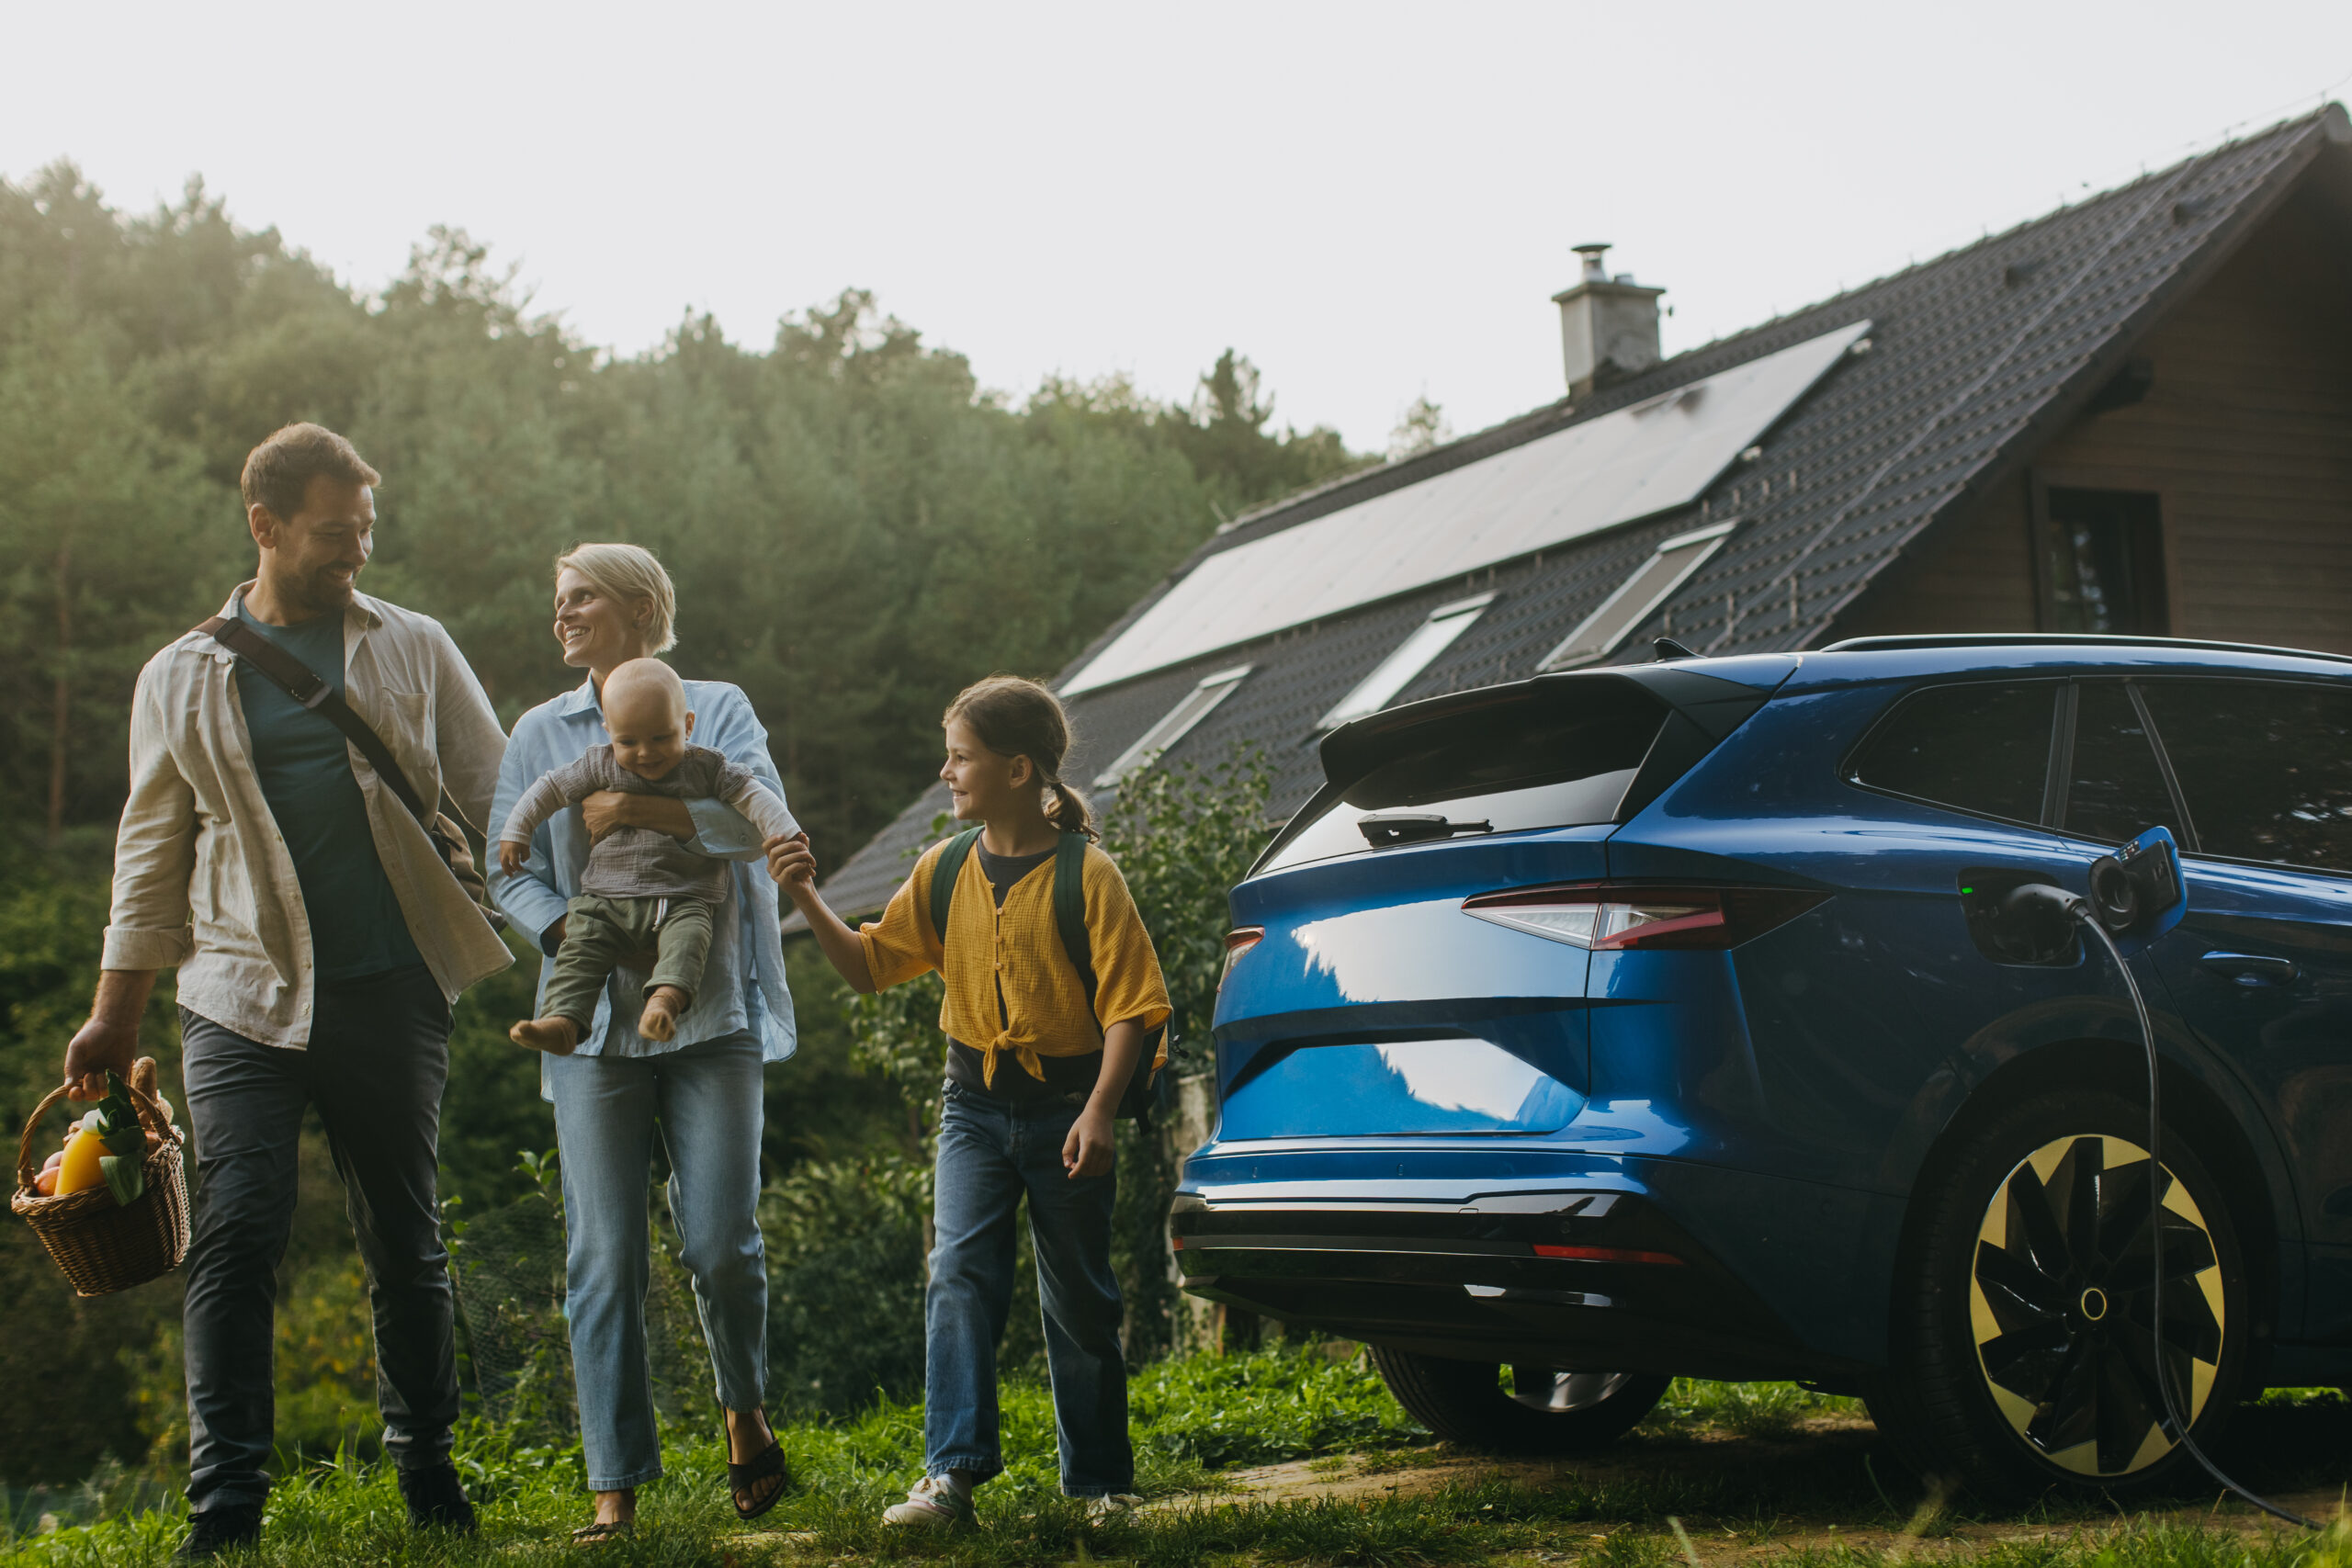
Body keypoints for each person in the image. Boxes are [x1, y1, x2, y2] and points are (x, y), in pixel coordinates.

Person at [62, 423, 512, 1561]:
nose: (353, 552)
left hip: (392, 985)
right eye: (330, 533)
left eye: (364, 530)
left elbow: (504, 796)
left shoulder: (412, 645)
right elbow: (149, 848)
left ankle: (428, 1474)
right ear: (263, 527)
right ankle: (227, 1514)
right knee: (238, 1234)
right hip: (237, 995)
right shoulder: (182, 674)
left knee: (405, 1240)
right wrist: (114, 1013)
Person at [771, 674, 1170, 1529]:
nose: (945, 772)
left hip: (1070, 1107)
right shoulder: (944, 868)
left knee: (1081, 1298)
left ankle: (1102, 1487)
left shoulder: (1088, 874)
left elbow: (1133, 1005)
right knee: (956, 1274)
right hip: (972, 1109)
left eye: (960, 757)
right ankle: (951, 1480)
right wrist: (804, 893)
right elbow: (869, 966)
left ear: (1018, 769)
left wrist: (1100, 1110)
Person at [487, 543, 797, 1542]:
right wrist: (571, 935)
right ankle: (613, 1481)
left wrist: (637, 809)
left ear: (634, 608)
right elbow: (511, 866)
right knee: (604, 1254)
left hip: (709, 1012)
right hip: (589, 1028)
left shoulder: (720, 706)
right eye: (558, 602)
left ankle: (742, 1415)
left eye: (581, 599)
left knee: (721, 1243)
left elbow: (751, 833)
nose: (563, 615)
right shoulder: (542, 731)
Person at [499, 657, 797, 1052]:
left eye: (660, 738)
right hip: (606, 899)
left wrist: (788, 834)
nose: (645, 753)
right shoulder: (599, 763)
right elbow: (550, 788)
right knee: (581, 946)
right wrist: (517, 828)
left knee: (689, 941)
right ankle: (564, 1020)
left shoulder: (706, 766)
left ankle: (663, 1005)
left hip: (685, 896)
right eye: (628, 742)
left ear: (687, 726)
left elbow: (755, 797)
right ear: (609, 733)